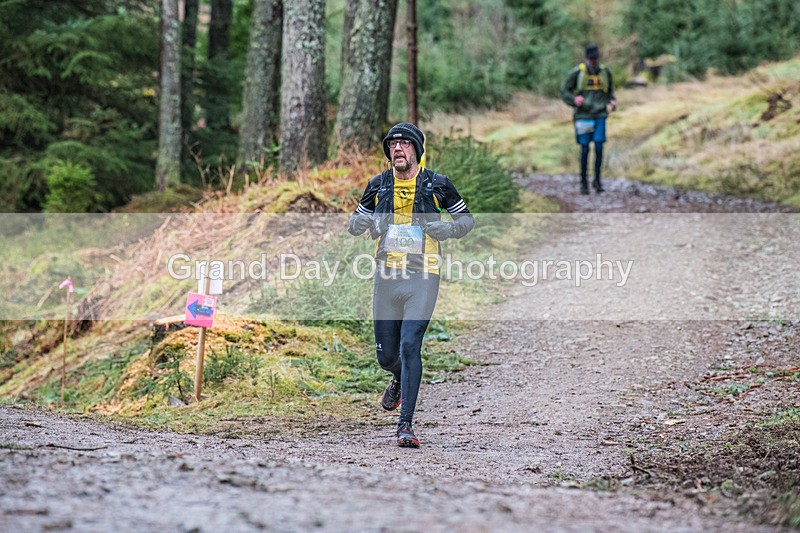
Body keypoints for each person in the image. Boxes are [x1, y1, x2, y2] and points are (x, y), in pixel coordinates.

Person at [347, 122, 474, 448]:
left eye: (404, 144)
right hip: (387, 276)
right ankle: (399, 379)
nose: (397, 149)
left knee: (409, 346)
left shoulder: (436, 184)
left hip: (423, 275)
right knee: (387, 357)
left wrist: (448, 230)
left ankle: (406, 425)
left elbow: (466, 219)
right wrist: (359, 222)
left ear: (416, 149)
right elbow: (354, 222)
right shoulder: (378, 185)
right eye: (392, 144)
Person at [561, 44, 618, 195]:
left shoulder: (605, 72)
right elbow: (565, 91)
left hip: (600, 114)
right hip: (583, 116)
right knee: (585, 148)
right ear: (586, 58)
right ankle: (583, 182)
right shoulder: (577, 73)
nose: (593, 61)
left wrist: (612, 100)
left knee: (599, 147)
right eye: (591, 59)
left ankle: (597, 181)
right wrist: (574, 100)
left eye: (595, 59)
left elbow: (610, 89)